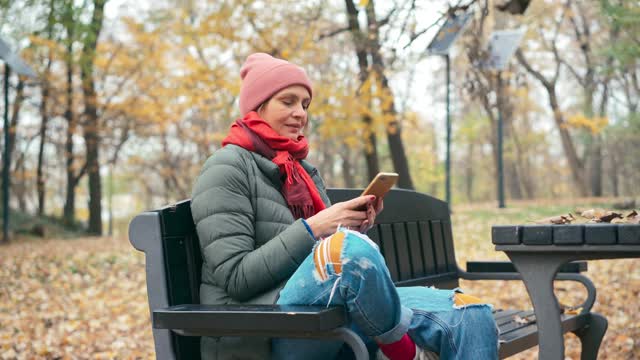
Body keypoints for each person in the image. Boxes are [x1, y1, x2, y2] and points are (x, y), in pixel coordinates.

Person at [190, 53, 499, 360]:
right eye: (288, 101)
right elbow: (235, 278)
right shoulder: (226, 167)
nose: (300, 113)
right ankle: (405, 355)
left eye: (305, 104)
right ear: (257, 106)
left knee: (470, 312)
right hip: (263, 332)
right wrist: (317, 229)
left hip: (325, 314)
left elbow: (328, 257)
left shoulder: (302, 171)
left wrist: (348, 224)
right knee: (345, 251)